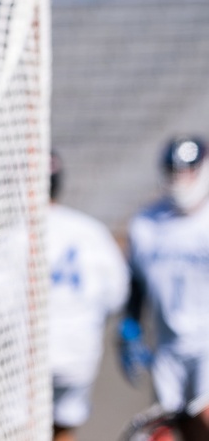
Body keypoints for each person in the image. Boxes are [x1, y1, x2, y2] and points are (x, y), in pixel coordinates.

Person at [119, 136, 209, 440]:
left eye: (187, 173)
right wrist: (130, 325)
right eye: (174, 173)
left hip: (206, 341)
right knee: (166, 424)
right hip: (168, 342)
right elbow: (138, 282)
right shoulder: (147, 223)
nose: (180, 182)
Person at [46, 151, 128, 441]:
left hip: (28, 352)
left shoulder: (16, 231)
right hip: (78, 349)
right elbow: (116, 294)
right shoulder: (91, 230)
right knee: (64, 427)